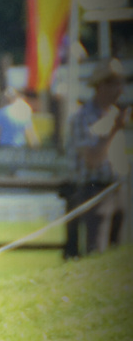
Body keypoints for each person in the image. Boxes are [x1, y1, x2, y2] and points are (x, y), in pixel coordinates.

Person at [64, 59, 129, 259]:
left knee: (119, 254)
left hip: (119, 189)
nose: (120, 89)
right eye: (115, 83)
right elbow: (92, 160)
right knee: (97, 253)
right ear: (101, 85)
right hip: (94, 191)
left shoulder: (115, 114)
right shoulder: (83, 117)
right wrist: (115, 130)